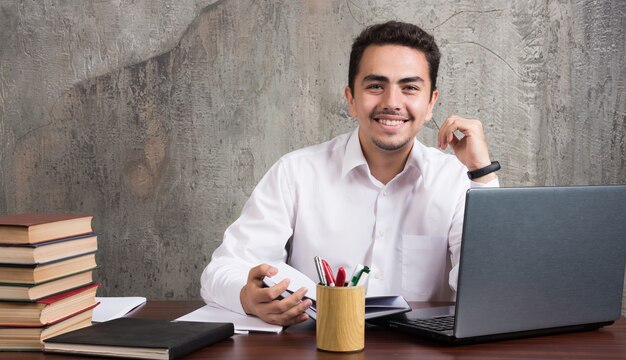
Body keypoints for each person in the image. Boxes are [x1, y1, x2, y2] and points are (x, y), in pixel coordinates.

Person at [200, 21, 499, 326]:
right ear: (351, 99)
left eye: (409, 87)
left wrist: (483, 175)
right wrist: (248, 298)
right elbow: (222, 270)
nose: (392, 103)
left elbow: (491, 292)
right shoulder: (296, 172)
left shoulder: (457, 180)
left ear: (431, 102)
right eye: (375, 86)